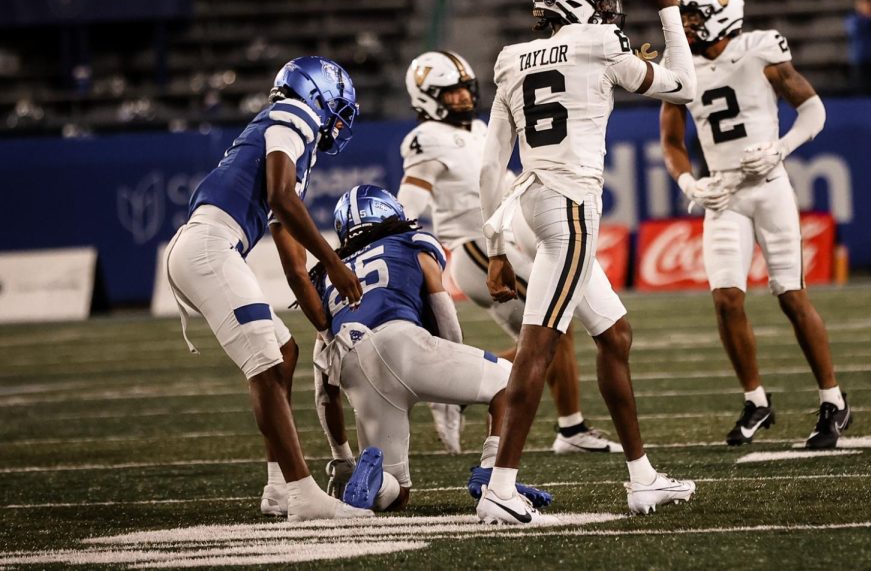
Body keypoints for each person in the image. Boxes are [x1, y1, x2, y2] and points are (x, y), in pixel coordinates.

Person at [476, 0, 698, 524]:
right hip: (571, 205)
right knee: (539, 347)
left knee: (615, 335)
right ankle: (501, 486)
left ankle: (643, 478)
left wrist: (497, 248)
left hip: (530, 204)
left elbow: (491, 164)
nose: (609, 12)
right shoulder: (599, 46)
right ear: (576, 1)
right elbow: (684, 87)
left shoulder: (509, 58)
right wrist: (669, 10)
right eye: (602, 1)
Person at [164, 56, 372, 522]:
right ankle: (302, 493)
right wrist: (336, 264)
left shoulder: (286, 133)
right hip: (208, 247)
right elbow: (281, 198)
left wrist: (324, 327)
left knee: (285, 349)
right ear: (318, 96)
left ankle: (279, 487)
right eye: (340, 107)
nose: (341, 120)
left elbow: (290, 253)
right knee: (265, 361)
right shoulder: (294, 115)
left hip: (213, 247)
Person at [397, 50, 622, 455]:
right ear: (427, 96)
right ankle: (462, 387)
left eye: (465, 90)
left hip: (503, 242)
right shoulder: (426, 138)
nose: (464, 99)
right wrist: (397, 238)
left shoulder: (480, 127)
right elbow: (410, 201)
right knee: (553, 326)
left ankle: (461, 388)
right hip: (476, 248)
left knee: (552, 331)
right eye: (451, 94)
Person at [660, 0, 851, 449]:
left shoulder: (759, 50)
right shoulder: (680, 66)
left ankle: (833, 399)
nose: (687, 24)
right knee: (726, 299)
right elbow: (671, 142)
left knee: (791, 295)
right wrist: (690, 184)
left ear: (724, 15)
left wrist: (781, 149)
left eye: (695, 16)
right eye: (684, 15)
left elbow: (813, 110)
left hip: (769, 188)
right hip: (724, 196)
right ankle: (756, 400)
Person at [295, 185, 552, 512]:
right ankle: (491, 470)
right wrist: (452, 398)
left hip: (351, 364)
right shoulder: (410, 242)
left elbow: (323, 384)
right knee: (511, 382)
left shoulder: (328, 275)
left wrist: (340, 456)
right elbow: (443, 313)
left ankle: (373, 477)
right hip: (401, 342)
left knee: (396, 495)